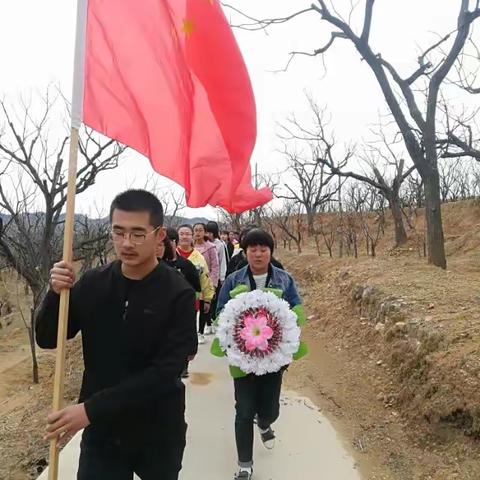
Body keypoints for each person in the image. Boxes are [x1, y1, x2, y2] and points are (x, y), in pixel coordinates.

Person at [35, 189, 197, 480]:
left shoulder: (178, 293)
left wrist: (90, 409)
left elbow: (164, 373)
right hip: (103, 433)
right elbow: (48, 338)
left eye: (138, 234)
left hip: (158, 428)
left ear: (159, 235)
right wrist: (55, 294)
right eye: (118, 232)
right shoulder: (94, 282)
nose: (126, 243)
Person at [214, 229, 306, 480]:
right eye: (252, 249)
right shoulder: (234, 280)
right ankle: (245, 464)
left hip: (273, 360)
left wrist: (290, 327)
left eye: (263, 249)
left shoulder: (284, 279)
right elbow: (220, 311)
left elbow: (296, 308)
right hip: (242, 360)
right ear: (245, 252)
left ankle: (264, 422)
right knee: (243, 410)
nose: (258, 253)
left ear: (270, 252)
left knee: (270, 409)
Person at [158, 228, 201, 379]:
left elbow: (197, 287)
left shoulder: (186, 265)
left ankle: (183, 366)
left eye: (166, 243)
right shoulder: (155, 267)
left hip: (184, 309)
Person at [176, 224, 215, 345]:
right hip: (172, 298)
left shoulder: (199, 257)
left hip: (192, 297)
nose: (184, 237)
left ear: (192, 236)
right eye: (181, 234)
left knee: (189, 324)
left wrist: (208, 298)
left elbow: (205, 278)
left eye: (187, 234)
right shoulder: (171, 254)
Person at [193, 222, 219, 337]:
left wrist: (213, 283)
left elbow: (215, 266)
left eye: (200, 230)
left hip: (205, 281)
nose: (197, 232)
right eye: (196, 230)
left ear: (205, 232)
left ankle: (201, 332)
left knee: (204, 306)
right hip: (192, 282)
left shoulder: (210, 247)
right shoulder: (190, 246)